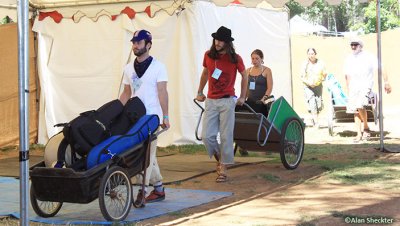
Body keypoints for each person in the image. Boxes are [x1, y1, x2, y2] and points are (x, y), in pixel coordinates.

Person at [119, 29, 170, 204]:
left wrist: (166, 116)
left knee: (146, 154)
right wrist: (118, 111)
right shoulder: (128, 68)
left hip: (152, 117)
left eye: (139, 42)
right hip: (134, 117)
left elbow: (162, 92)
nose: (135, 45)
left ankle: (144, 191)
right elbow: (126, 93)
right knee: (149, 154)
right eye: (134, 42)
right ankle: (159, 189)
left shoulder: (159, 67)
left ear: (148, 45)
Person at [195, 26, 247, 183]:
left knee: (226, 136)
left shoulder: (235, 58)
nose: (217, 43)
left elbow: (245, 76)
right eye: (216, 39)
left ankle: (223, 167)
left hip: (227, 100)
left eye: (221, 40)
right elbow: (205, 73)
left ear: (227, 42)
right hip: (211, 100)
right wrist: (199, 91)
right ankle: (222, 159)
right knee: (206, 136)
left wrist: (243, 96)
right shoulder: (208, 55)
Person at [343, 37, 387, 142]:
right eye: (352, 45)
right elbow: (347, 75)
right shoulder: (349, 58)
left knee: (360, 105)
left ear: (360, 46)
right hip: (353, 86)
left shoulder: (368, 56)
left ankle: (366, 128)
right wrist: (348, 88)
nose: (353, 47)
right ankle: (359, 133)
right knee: (355, 109)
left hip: (365, 85)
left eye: (355, 44)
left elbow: (381, 67)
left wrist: (386, 82)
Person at [300, 48, 327, 128]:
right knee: (312, 102)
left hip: (318, 85)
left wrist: (322, 79)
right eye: (309, 54)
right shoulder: (305, 64)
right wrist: (309, 83)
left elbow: (325, 73)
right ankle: (316, 122)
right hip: (308, 86)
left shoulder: (320, 63)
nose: (311, 55)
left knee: (318, 104)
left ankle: (314, 117)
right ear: (307, 55)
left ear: (315, 54)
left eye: (312, 53)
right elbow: (301, 76)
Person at [244, 49, 273, 116]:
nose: (254, 60)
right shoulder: (248, 70)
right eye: (253, 58)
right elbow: (245, 87)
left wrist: (264, 98)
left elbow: (270, 87)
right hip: (250, 101)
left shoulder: (267, 70)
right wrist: (243, 98)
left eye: (257, 58)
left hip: (262, 102)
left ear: (262, 59)